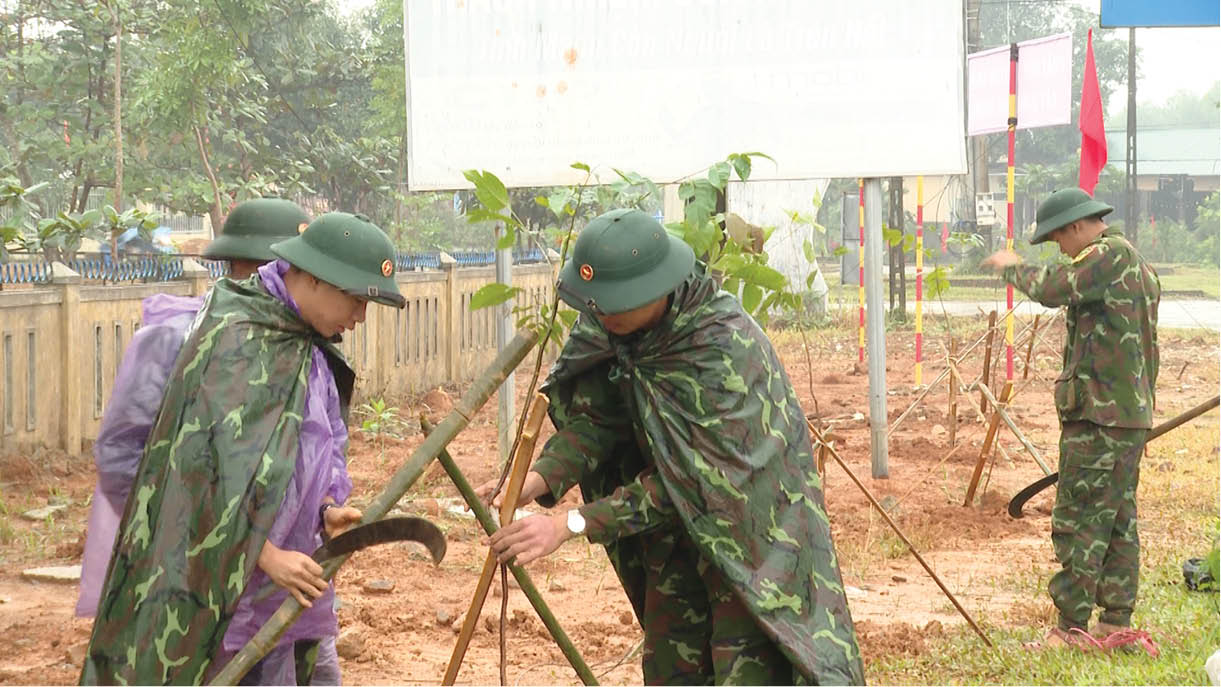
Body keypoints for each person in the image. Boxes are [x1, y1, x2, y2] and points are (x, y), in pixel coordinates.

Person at [482, 208, 863, 685]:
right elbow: (598, 419)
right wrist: (539, 478)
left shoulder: (723, 347)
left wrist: (572, 523)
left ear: (656, 288)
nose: (603, 315)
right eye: (598, 306)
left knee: (747, 667)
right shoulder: (609, 323)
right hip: (671, 537)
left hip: (748, 541)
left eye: (616, 305)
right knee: (672, 665)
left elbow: (693, 487)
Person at [80, 212, 406, 685]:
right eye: (356, 300)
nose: (359, 317)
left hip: (289, 592)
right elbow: (187, 473)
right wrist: (263, 554)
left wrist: (328, 507)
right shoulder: (227, 336)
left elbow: (326, 440)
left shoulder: (307, 344)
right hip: (205, 596)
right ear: (313, 276)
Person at [982, 187, 1160, 650]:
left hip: (1101, 416)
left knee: (1081, 516)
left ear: (1077, 227)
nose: (1061, 250)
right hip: (1125, 415)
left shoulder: (1106, 257)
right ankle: (1114, 621)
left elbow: (1053, 288)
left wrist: (1011, 267)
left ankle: (1071, 628)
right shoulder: (1134, 261)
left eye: (1059, 240)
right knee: (1117, 517)